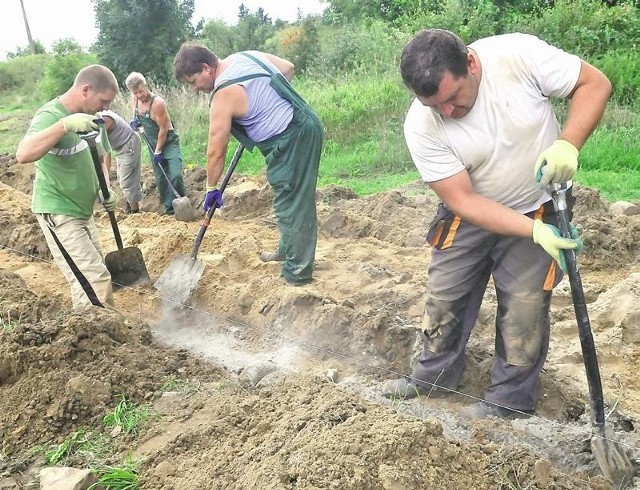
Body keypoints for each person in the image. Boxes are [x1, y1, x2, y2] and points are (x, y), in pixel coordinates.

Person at [382, 30, 611, 419]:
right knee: (444, 297)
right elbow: (463, 200)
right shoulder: (421, 125)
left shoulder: (518, 56)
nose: (448, 113)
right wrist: (532, 234)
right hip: (471, 213)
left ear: (471, 64)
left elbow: (594, 83)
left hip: (538, 204)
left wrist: (568, 143)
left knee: (524, 307)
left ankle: (507, 402)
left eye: (453, 99)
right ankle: (432, 378)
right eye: (435, 106)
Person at [172, 42, 323, 286]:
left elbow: (215, 151)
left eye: (192, 82)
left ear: (206, 68)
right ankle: (288, 250)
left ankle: (297, 273)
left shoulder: (223, 93)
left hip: (291, 138)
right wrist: (261, 105)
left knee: (292, 201)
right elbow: (288, 68)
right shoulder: (244, 57)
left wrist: (211, 188)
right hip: (301, 125)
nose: (194, 89)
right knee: (288, 195)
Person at [15, 64, 120, 310]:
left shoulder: (94, 117)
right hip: (60, 213)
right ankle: (102, 341)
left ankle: (95, 336)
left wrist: (105, 186)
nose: (107, 108)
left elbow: (102, 155)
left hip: (84, 212)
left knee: (90, 281)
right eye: (104, 100)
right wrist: (64, 126)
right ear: (86, 90)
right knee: (95, 282)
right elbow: (23, 153)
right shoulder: (50, 115)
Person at [124, 72, 185, 215]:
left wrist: (158, 151)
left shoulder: (158, 103)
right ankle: (169, 210)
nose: (139, 95)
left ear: (146, 86)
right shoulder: (136, 99)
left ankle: (182, 205)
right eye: (135, 92)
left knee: (175, 174)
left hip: (168, 142)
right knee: (161, 178)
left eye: (141, 91)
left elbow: (163, 129)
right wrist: (135, 121)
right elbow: (137, 115)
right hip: (152, 143)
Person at [97, 109, 143, 214]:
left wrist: (105, 177)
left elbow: (106, 153)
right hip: (120, 148)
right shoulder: (97, 118)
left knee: (127, 182)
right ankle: (130, 206)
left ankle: (135, 212)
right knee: (123, 178)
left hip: (128, 145)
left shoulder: (104, 120)